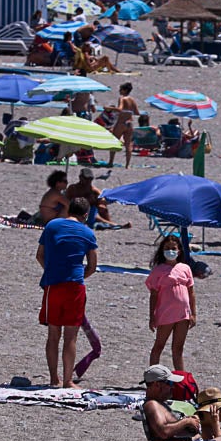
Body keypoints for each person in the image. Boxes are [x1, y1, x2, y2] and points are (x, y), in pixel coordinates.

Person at [37, 197, 98, 388]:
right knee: (71, 336)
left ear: (69, 209)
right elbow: (92, 266)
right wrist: (78, 275)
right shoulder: (88, 233)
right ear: (86, 215)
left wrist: (52, 270)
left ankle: (54, 379)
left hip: (53, 284)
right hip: (74, 286)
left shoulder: (52, 225)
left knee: (53, 334)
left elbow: (40, 255)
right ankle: (68, 380)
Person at [146, 235, 196, 371]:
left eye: (173, 248)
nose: (170, 251)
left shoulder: (185, 268)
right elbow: (154, 294)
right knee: (159, 345)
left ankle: (181, 379)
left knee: (178, 348)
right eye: (167, 248)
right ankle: (153, 377)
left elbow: (191, 292)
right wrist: (152, 316)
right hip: (165, 313)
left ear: (179, 250)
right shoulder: (158, 271)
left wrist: (193, 314)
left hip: (183, 315)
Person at [66, 166, 131, 229]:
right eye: (86, 179)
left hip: (91, 211)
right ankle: (113, 224)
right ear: (80, 178)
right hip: (76, 210)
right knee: (90, 212)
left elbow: (102, 198)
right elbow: (67, 201)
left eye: (90, 179)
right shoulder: (73, 188)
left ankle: (110, 223)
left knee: (101, 207)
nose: (88, 181)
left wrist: (100, 202)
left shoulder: (93, 190)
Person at [103, 82, 139, 168]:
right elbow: (137, 112)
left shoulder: (122, 98)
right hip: (129, 123)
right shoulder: (132, 100)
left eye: (121, 89)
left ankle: (111, 162)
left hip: (121, 123)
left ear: (125, 90)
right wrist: (128, 111)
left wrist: (109, 108)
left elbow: (119, 109)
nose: (119, 91)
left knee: (114, 142)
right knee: (128, 144)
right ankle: (127, 165)